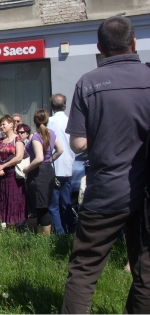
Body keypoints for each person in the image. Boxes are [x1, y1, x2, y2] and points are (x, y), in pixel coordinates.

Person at [61, 16, 150, 313]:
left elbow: (78, 144)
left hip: (106, 190)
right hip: (145, 190)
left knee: (85, 269)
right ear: (134, 43)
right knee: (146, 271)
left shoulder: (88, 83)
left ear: (99, 48)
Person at [23, 109, 63, 235]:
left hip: (38, 173)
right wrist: (50, 159)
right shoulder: (51, 133)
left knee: (41, 207)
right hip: (48, 171)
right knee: (43, 206)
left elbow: (39, 158)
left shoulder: (36, 137)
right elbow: (60, 150)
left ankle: (44, 239)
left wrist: (26, 169)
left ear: (34, 121)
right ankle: (42, 236)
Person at [0, 114, 27, 228]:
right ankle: (4, 223)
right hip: (0, 174)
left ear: (11, 125)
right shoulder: (1, 140)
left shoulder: (18, 139)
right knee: (2, 198)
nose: (1, 126)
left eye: (3, 124)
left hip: (13, 174)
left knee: (13, 198)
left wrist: (4, 166)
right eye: (0, 124)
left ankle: (15, 224)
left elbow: (19, 156)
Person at [47, 94, 75, 235]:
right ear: (65, 106)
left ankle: (60, 234)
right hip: (69, 166)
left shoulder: (50, 122)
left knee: (54, 205)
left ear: (51, 107)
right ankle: (69, 229)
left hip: (55, 166)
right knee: (66, 202)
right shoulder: (71, 121)